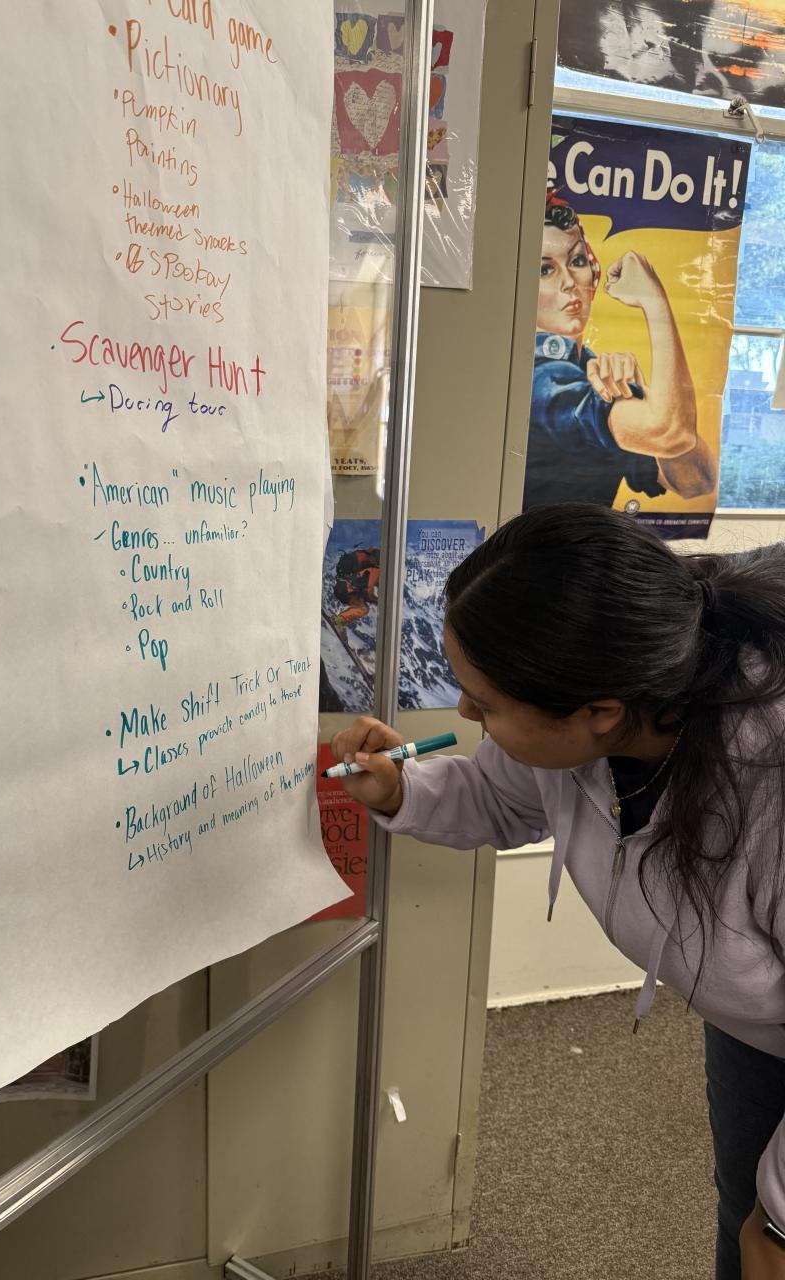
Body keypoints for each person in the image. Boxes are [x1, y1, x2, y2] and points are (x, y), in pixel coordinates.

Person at [330, 503, 785, 1279]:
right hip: (757, 1021)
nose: (464, 712)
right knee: (742, 1207)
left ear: (600, 713)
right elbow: (503, 796)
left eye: (486, 704)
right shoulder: (605, 699)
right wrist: (400, 790)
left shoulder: (768, 778)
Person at [523, 193, 716, 510]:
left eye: (577, 261)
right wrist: (654, 302)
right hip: (540, 542)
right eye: (545, 270)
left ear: (593, 272)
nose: (569, 282)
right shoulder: (540, 376)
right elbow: (671, 433)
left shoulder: (588, 370)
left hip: (590, 542)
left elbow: (697, 481)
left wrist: (645, 395)